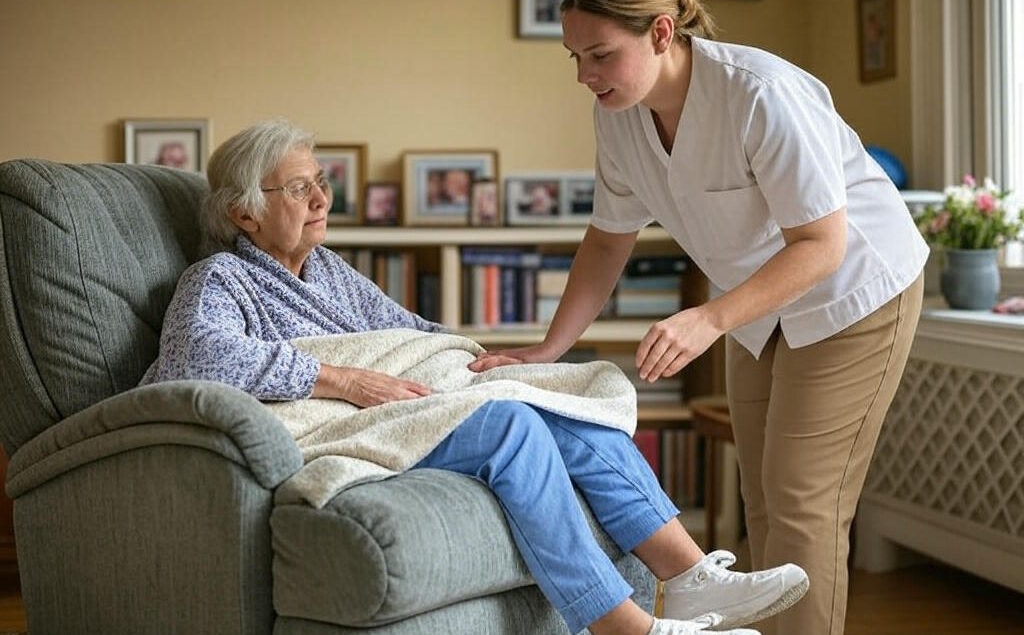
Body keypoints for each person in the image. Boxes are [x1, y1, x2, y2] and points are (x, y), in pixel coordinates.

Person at [141, 119, 808, 635]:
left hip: (396, 406)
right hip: (340, 424)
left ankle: (688, 573)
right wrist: (346, 380)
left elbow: (409, 335)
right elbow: (195, 358)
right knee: (510, 424)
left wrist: (485, 361)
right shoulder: (218, 278)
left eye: (322, 180)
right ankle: (617, 622)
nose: (322, 197)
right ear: (243, 213)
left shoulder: (329, 270)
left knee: (558, 402)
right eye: (299, 187)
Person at [469, 0, 927, 634]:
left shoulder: (760, 93)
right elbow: (606, 241)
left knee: (804, 503)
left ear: (660, 32)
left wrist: (709, 317)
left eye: (600, 55)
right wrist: (548, 347)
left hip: (853, 291)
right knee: (762, 501)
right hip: (757, 304)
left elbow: (822, 244)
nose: (585, 76)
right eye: (576, 57)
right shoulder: (620, 118)